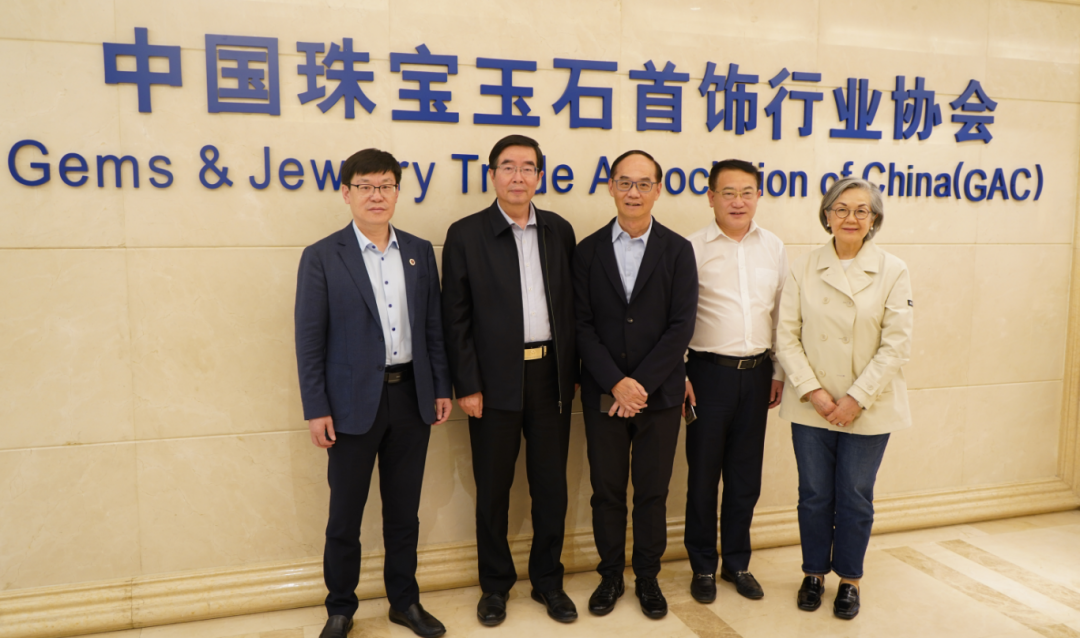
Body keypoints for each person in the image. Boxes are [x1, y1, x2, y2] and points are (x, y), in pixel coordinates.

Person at [294, 149, 453, 638]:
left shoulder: (419, 251)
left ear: (398, 192)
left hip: (411, 398)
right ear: (346, 193)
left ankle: (404, 602)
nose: (376, 195)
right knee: (344, 515)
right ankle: (340, 607)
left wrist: (440, 386)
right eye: (365, 186)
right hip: (349, 406)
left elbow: (432, 326)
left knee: (404, 513)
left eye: (385, 185)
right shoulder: (323, 255)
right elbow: (309, 339)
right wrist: (317, 407)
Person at [441, 135, 579, 626]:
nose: (518, 176)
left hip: (550, 377)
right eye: (508, 167)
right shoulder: (466, 234)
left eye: (527, 168)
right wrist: (467, 384)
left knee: (551, 487)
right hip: (493, 380)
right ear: (492, 175)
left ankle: (548, 582)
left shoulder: (559, 230)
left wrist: (572, 374)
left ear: (539, 176)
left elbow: (573, 307)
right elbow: (454, 317)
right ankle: (495, 586)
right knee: (493, 489)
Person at [775, 177, 913, 620]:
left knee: (854, 495)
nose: (850, 218)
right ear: (827, 215)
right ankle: (813, 573)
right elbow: (786, 336)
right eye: (841, 208)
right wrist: (813, 391)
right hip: (811, 403)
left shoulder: (893, 269)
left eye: (861, 210)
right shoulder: (803, 266)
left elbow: (896, 345)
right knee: (814, 493)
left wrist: (856, 398)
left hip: (869, 405)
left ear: (874, 219)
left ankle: (850, 580)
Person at [573, 150, 698, 620]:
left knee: (652, 492)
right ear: (610, 187)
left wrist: (638, 385)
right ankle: (610, 575)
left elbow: (681, 326)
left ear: (658, 190)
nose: (634, 192)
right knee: (606, 491)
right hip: (604, 394)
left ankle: (647, 576)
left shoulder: (677, 250)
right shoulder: (587, 250)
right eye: (624, 182)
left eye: (644, 183)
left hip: (659, 395)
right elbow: (581, 325)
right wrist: (616, 383)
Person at [683, 159, 787, 604]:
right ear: (711, 197)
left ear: (759, 195)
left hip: (758, 374)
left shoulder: (774, 247)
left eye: (747, 192)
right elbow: (677, 316)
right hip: (706, 375)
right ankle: (703, 566)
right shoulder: (691, 248)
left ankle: (737, 563)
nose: (738, 201)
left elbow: (782, 314)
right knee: (703, 476)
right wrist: (680, 372)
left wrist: (778, 370)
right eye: (728, 192)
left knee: (745, 477)